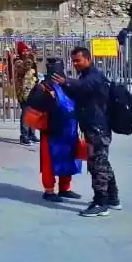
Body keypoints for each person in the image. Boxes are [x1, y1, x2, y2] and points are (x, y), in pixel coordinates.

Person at [59, 47, 119, 217]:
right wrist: (64, 85)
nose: (75, 64)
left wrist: (66, 81)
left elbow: (84, 86)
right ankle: (113, 198)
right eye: (73, 61)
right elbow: (78, 92)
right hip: (93, 127)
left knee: (96, 165)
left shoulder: (94, 76)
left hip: (97, 128)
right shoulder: (85, 76)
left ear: (87, 59)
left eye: (78, 60)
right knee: (103, 162)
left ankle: (101, 202)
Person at [34, 60, 83, 202]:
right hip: (51, 131)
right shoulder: (42, 87)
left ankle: (65, 188)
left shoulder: (68, 86)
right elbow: (34, 105)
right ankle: (49, 191)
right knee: (49, 160)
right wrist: (48, 98)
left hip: (69, 130)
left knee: (68, 158)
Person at [9, 41, 40, 145]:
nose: (27, 52)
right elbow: (24, 69)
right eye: (25, 50)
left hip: (32, 90)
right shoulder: (18, 62)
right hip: (23, 92)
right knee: (26, 112)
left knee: (34, 112)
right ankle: (24, 135)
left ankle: (32, 133)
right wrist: (30, 58)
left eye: (28, 50)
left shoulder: (30, 60)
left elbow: (34, 72)